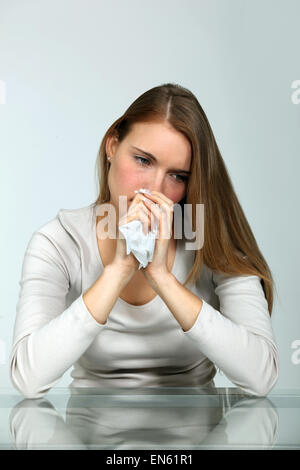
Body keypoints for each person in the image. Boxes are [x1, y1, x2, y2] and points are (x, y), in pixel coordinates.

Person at [9, 83, 279, 399]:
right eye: (143, 160)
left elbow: (261, 377)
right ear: (112, 146)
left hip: (196, 439)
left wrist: (162, 277)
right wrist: (118, 269)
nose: (154, 189)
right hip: (92, 437)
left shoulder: (208, 237)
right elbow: (28, 378)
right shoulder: (59, 241)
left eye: (177, 176)